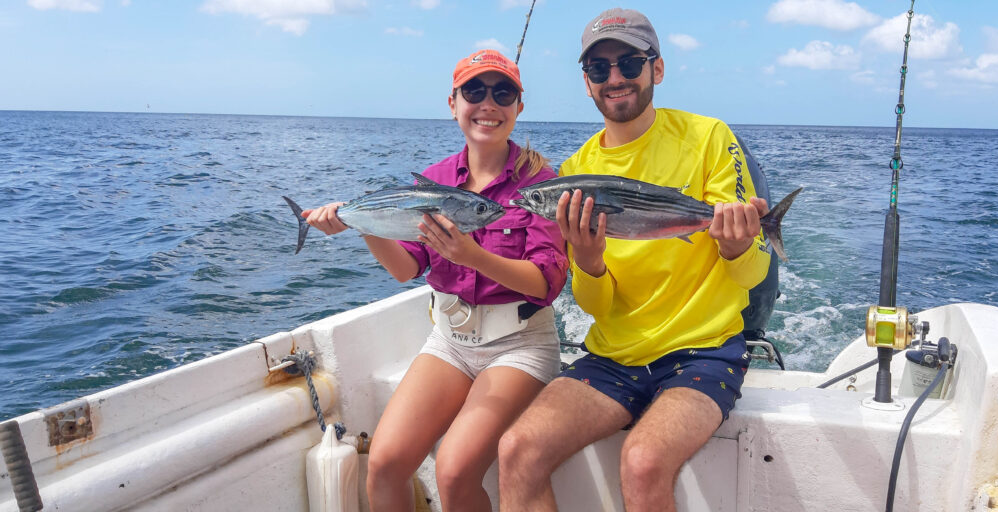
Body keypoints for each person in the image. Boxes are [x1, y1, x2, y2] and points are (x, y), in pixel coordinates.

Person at [498, 8, 771, 511]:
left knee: (643, 460)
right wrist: (588, 259)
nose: (616, 77)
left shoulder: (710, 137)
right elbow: (597, 306)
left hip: (704, 351)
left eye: (629, 62)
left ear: (657, 69)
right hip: (614, 356)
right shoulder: (577, 170)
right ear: (587, 83)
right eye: (600, 69)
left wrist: (736, 244)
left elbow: (753, 272)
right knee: (517, 449)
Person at [302, 49, 568, 511]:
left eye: (503, 93)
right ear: (453, 103)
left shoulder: (540, 183)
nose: (488, 104)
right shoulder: (432, 181)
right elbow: (406, 269)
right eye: (474, 91)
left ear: (519, 107)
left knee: (454, 468)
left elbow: (546, 283)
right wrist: (366, 225)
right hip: (449, 341)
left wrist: (473, 255)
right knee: (384, 463)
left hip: (519, 343)